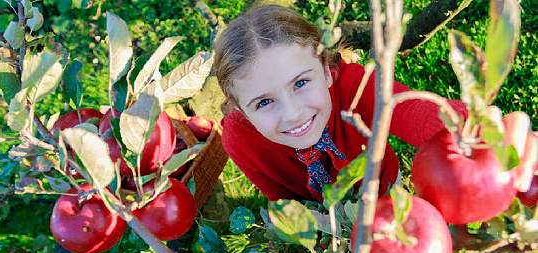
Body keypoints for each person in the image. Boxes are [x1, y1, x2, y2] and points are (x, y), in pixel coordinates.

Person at [213, 4, 537, 203]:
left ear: (326, 70)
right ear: (241, 110)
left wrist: (478, 133)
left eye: (300, 83)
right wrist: (308, 232)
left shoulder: (357, 88)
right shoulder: (238, 140)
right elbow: (278, 195)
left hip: (382, 184)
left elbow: (412, 111)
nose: (293, 112)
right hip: (323, 215)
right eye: (265, 101)